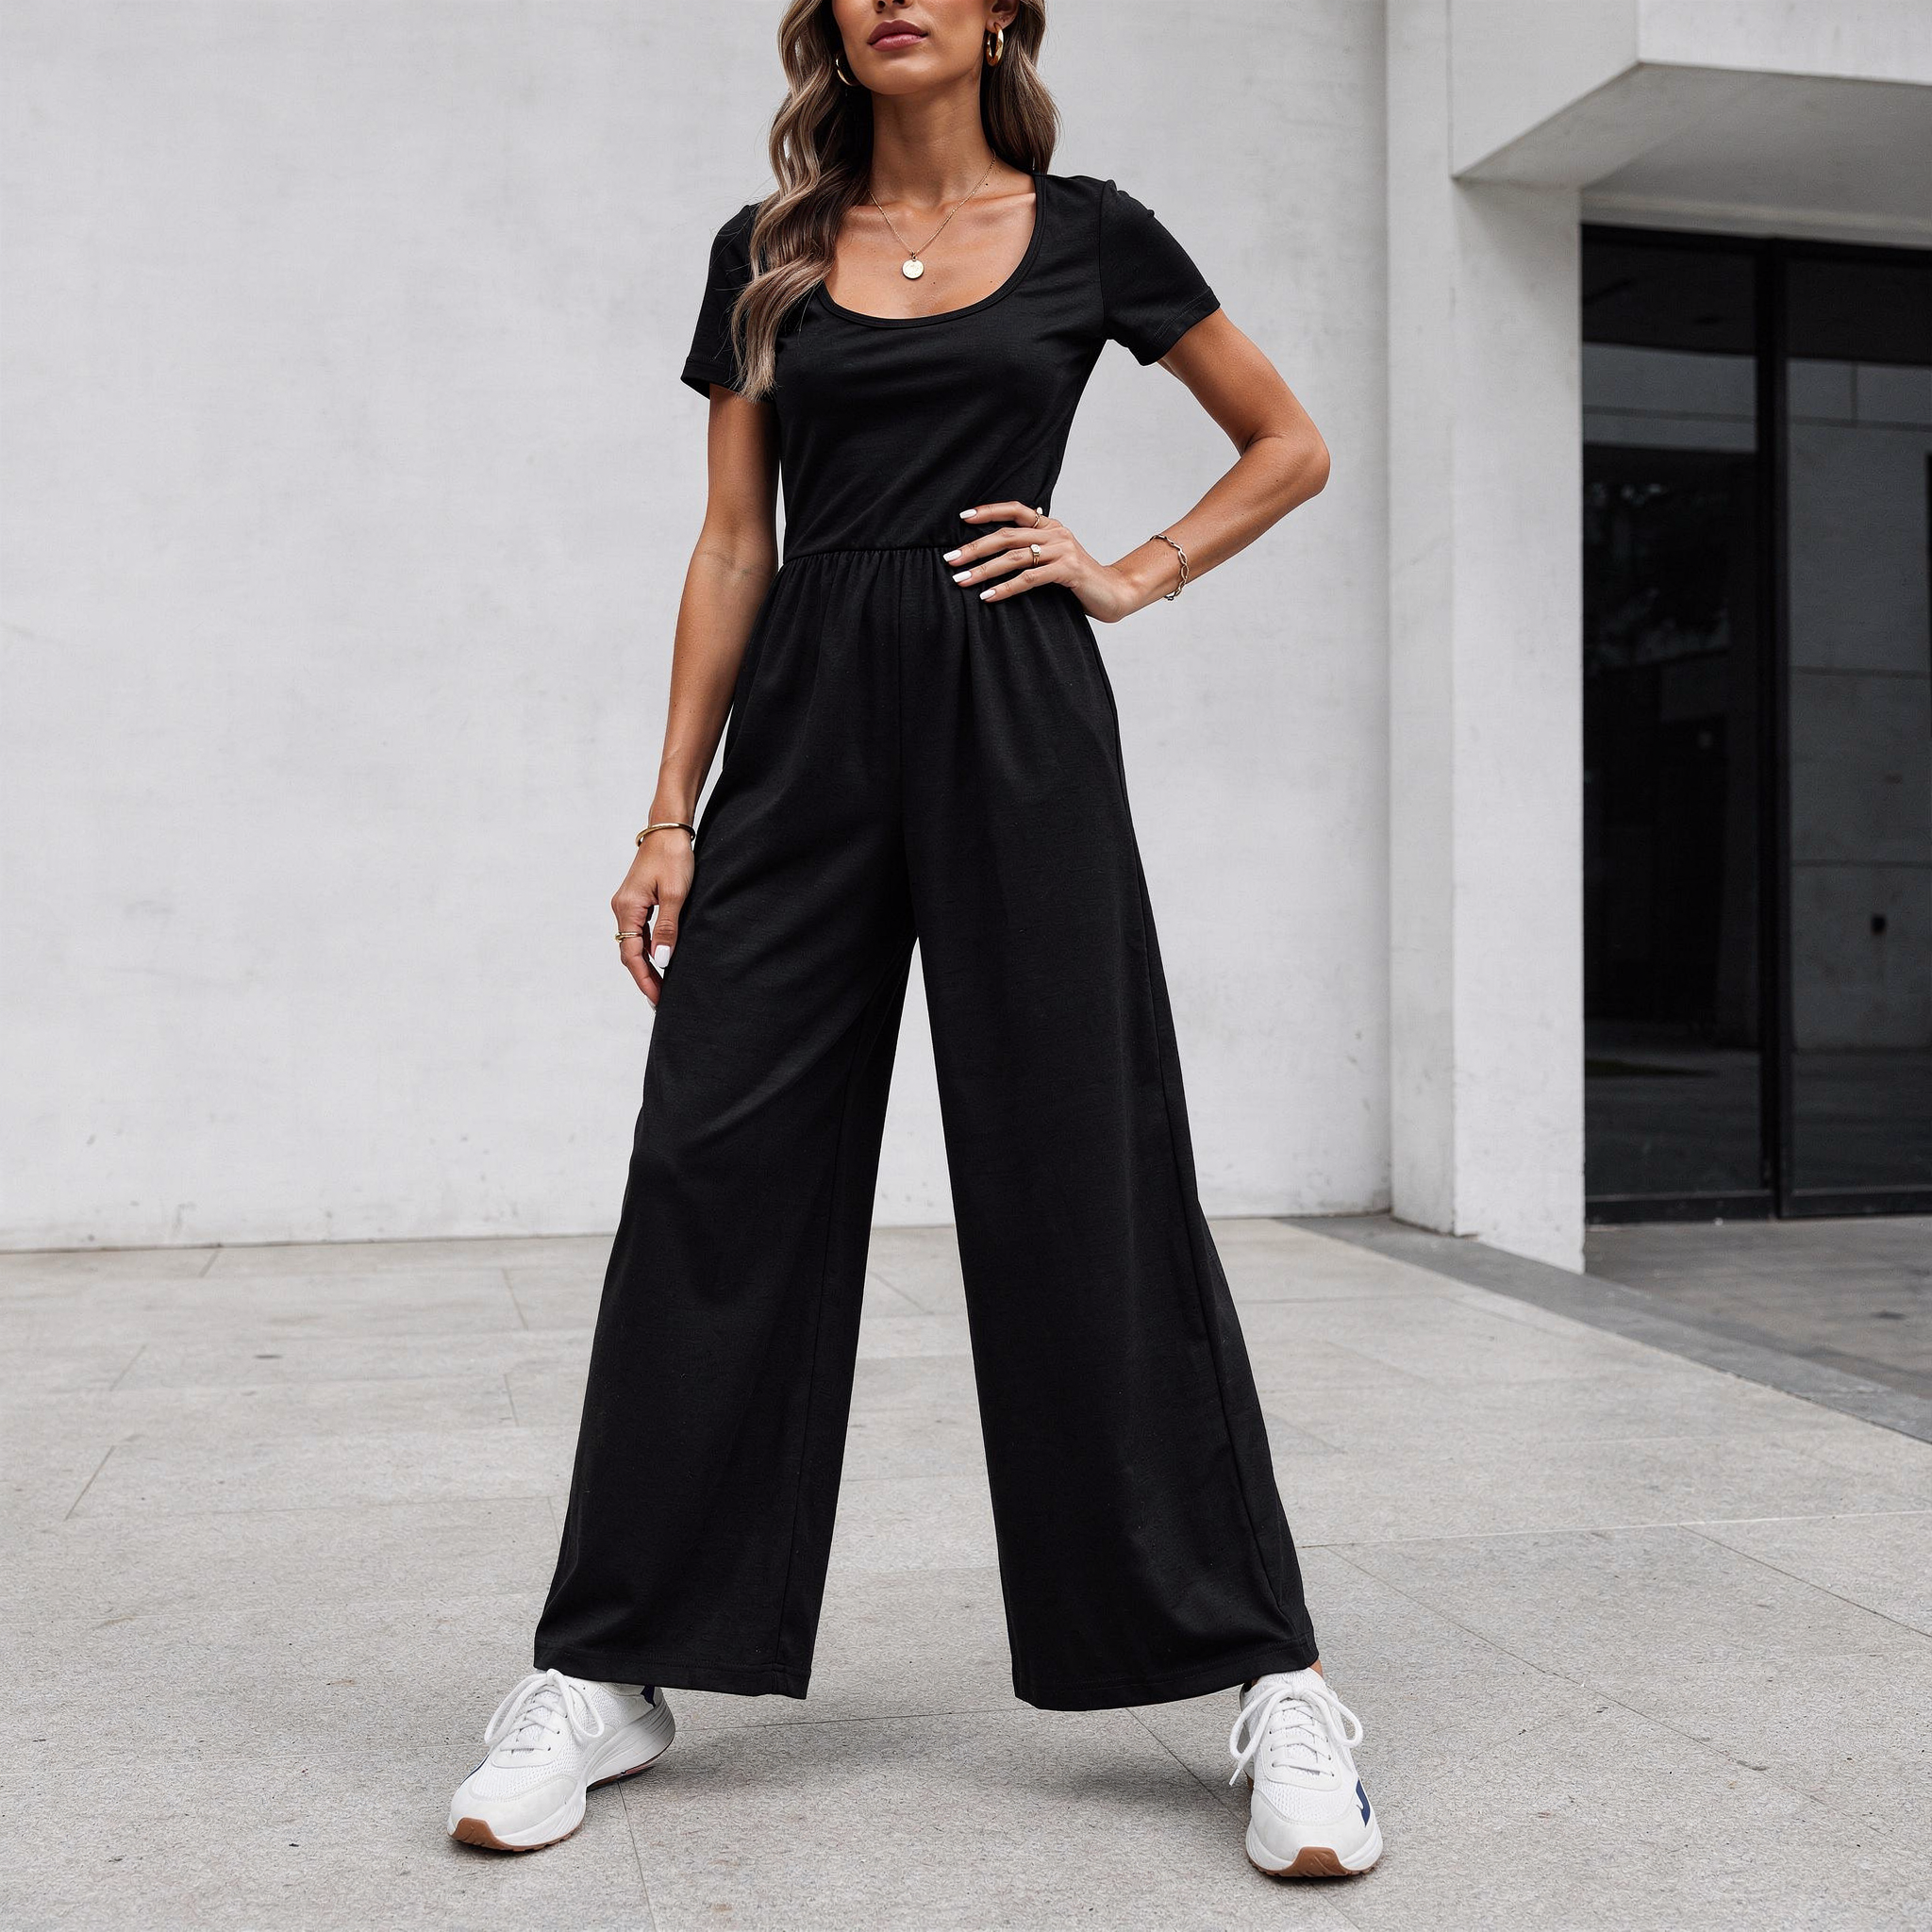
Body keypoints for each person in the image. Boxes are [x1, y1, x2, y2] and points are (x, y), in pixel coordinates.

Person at [446, 0, 1378, 1882]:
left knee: (1087, 1174)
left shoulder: (1097, 233)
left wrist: (1133, 567)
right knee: (717, 1165)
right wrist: (664, 811)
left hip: (1013, 714)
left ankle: (1260, 1676)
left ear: (999, 21)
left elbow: (1285, 444)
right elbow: (732, 541)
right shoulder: (769, 256)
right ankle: (611, 1665)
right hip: (802, 730)